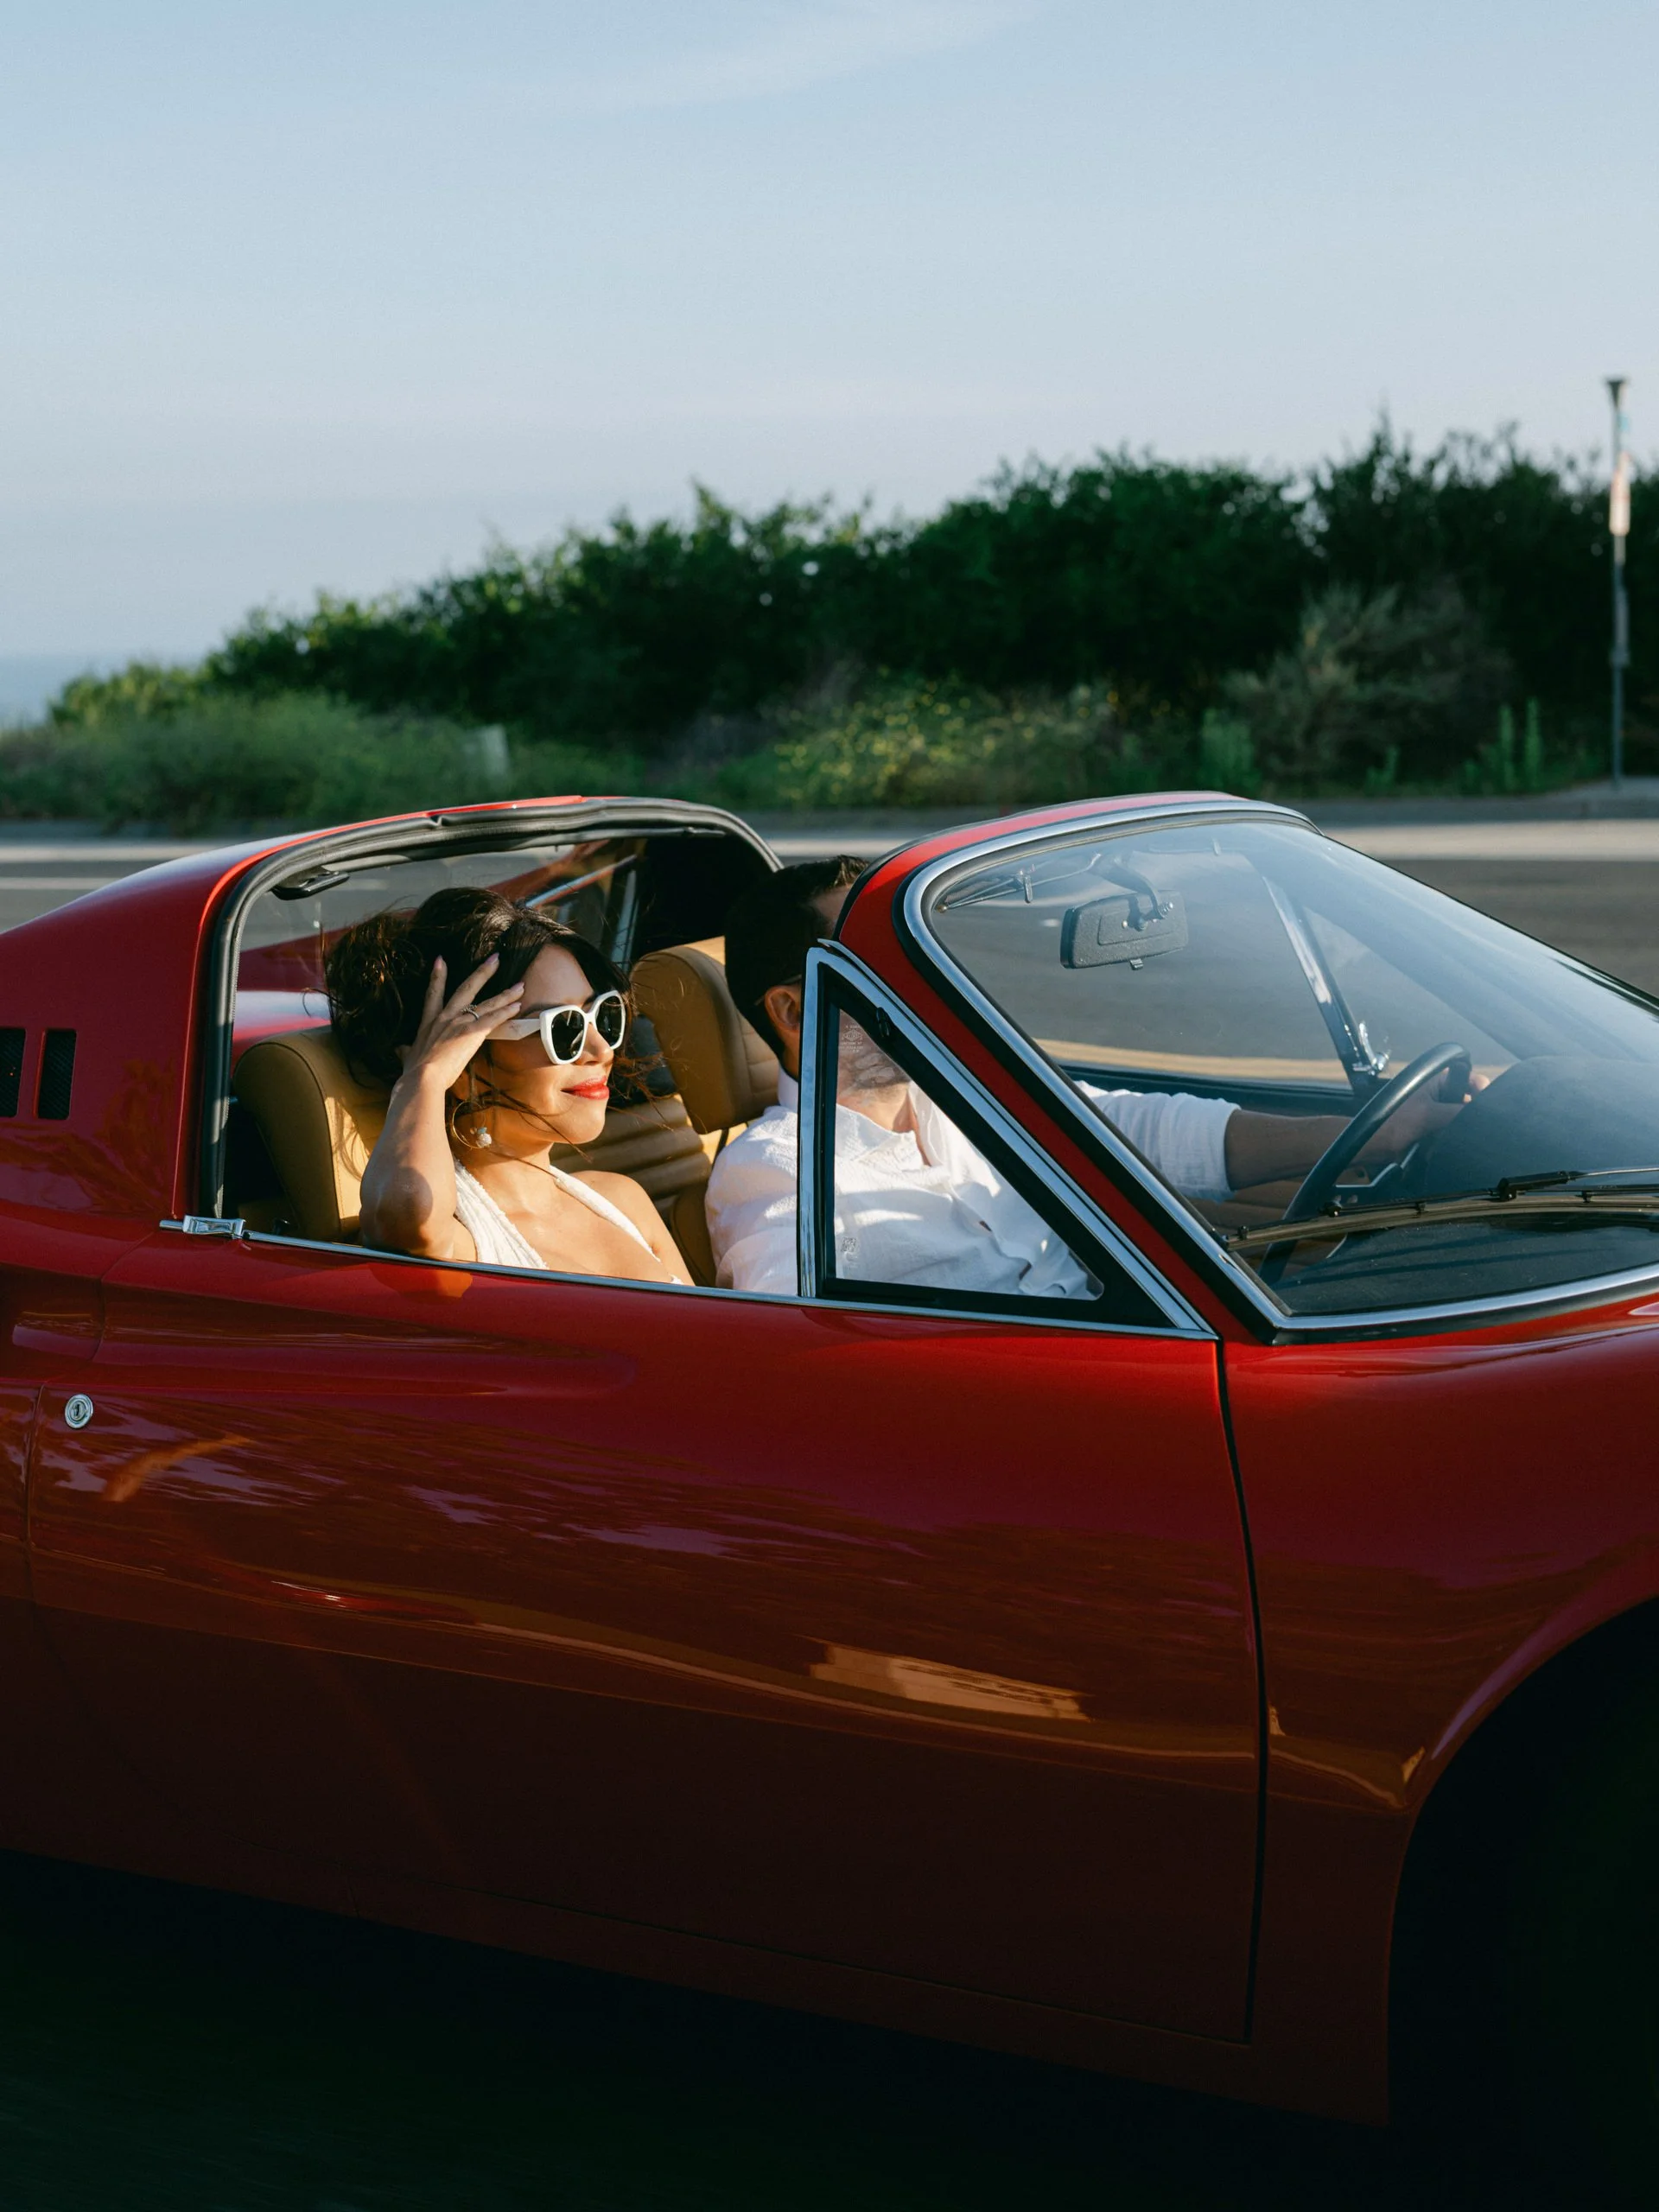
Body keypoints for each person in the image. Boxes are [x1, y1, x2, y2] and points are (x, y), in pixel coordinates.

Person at [706, 856, 1460, 1297]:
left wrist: (1377, 1134)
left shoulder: (970, 1095)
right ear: (797, 1012)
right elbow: (796, 1363)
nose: (928, 981)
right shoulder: (776, 1176)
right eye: (889, 963)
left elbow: (1137, 1133)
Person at [328, 887, 688, 1284]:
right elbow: (404, 1218)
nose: (601, 1049)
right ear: (463, 1067)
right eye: (562, 1027)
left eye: (603, 1014)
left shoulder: (623, 1200)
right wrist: (424, 1079)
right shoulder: (462, 1237)